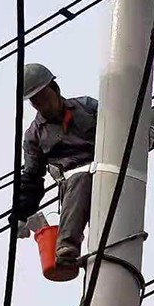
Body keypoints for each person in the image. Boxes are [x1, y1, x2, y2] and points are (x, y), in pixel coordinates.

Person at [13, 63, 99, 280]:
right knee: (80, 178)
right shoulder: (34, 136)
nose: (41, 105)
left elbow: (118, 121)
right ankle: (66, 249)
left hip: (107, 167)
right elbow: (32, 178)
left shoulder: (87, 107)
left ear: (55, 89)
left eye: (43, 97)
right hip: (74, 182)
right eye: (35, 101)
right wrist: (21, 214)